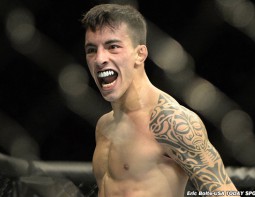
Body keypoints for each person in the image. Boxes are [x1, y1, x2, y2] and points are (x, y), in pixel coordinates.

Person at [81, 3, 239, 197]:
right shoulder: (104, 125)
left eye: (112, 47)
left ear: (140, 54)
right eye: (91, 50)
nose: (99, 59)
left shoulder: (171, 121)